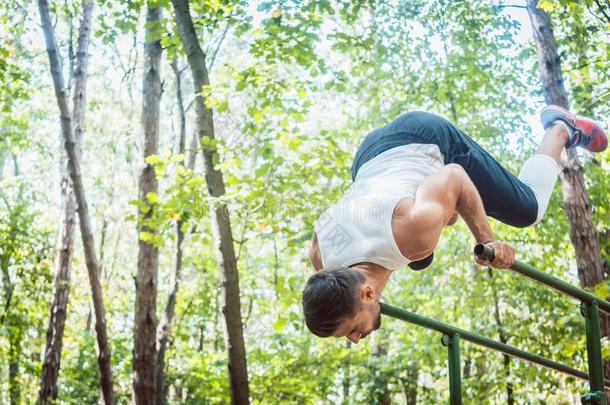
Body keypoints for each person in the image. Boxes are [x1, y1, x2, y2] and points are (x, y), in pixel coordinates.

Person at [302, 105, 607, 344]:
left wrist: (488, 238)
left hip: (423, 136)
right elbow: (344, 259)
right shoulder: (323, 258)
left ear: (367, 294)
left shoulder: (410, 232)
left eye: (352, 330)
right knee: (420, 255)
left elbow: (455, 175)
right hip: (366, 157)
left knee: (527, 209)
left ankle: (560, 128)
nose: (355, 339)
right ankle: (446, 209)